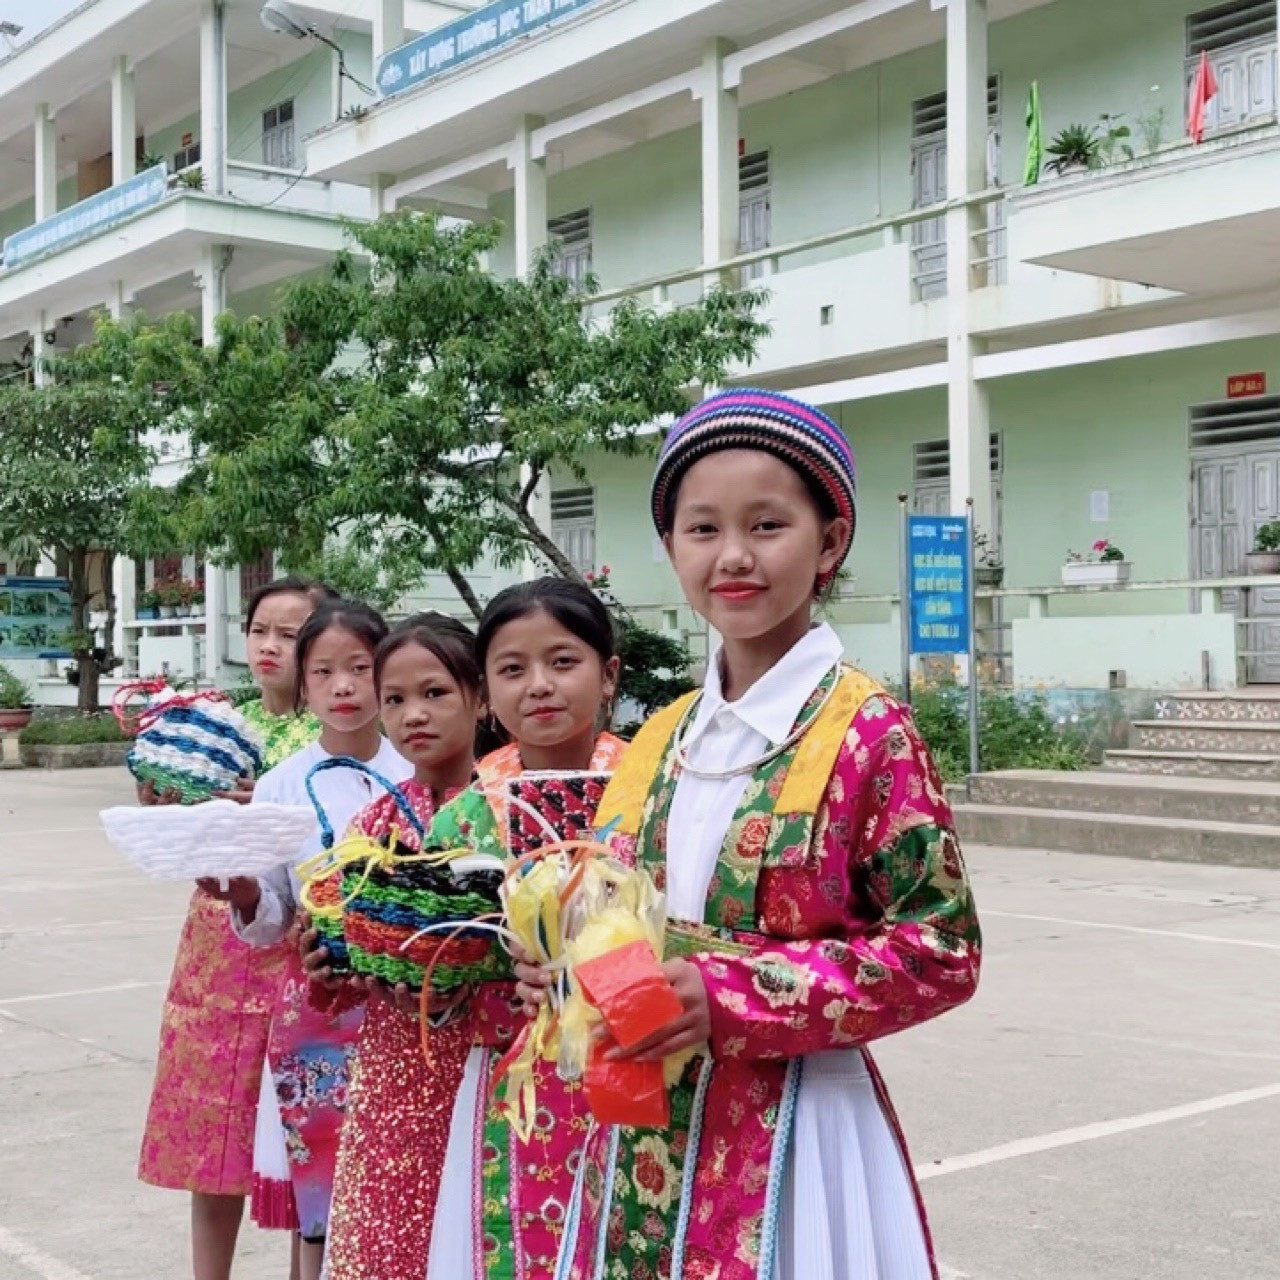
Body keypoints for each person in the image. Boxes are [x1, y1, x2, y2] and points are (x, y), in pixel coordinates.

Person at [544, 389, 983, 1280]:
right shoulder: (660, 739)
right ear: (671, 546)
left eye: (768, 525)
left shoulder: (869, 733)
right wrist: (558, 961)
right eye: (702, 529)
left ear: (830, 542)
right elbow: (609, 908)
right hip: (643, 1131)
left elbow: (942, 950)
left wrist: (731, 995)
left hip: (800, 1133)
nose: (733, 556)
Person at [425, 577, 627, 1280]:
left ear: (609, 675)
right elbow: (436, 969)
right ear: (486, 691)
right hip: (509, 1087)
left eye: (563, 662)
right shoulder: (462, 820)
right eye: (512, 669)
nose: (539, 685)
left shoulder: (654, 793)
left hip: (641, 1064)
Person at [138, 575, 335, 1280]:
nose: (269, 646)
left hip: (299, 950)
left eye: (290, 634)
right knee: (213, 1134)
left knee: (303, 1137)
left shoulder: (331, 737)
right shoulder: (221, 724)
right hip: (216, 949)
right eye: (259, 631)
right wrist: (165, 795)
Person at [213, 599, 410, 1280]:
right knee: (319, 1193)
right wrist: (244, 894)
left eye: (360, 667)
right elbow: (272, 917)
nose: (344, 686)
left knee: (403, 1178)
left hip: (410, 1008)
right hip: (317, 1014)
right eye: (323, 672)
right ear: (302, 685)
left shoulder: (422, 769)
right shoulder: (280, 785)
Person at [320, 613, 490, 1280]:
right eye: (394, 699)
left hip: (485, 1067)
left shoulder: (507, 811)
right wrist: (328, 961)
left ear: (480, 698)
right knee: (386, 1240)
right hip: (392, 1074)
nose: (413, 715)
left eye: (435, 693)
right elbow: (340, 943)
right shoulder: (372, 824)